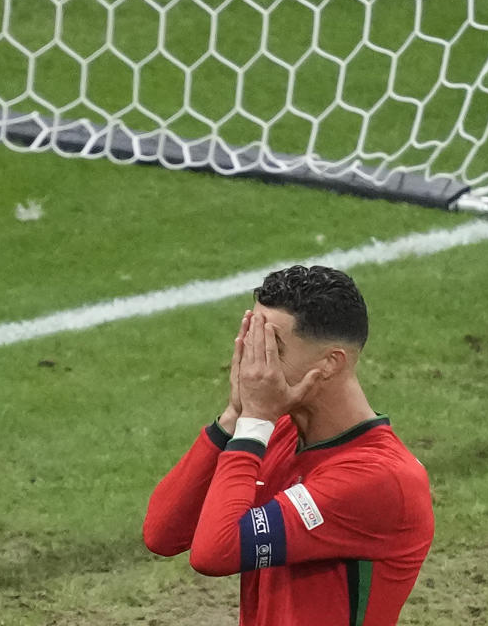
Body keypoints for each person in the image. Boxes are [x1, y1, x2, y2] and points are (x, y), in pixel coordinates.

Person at [143, 265, 434, 626]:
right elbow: (163, 534)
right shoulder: (276, 432)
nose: (254, 366)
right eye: (253, 343)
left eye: (271, 348)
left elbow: (214, 553)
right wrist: (234, 415)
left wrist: (253, 423)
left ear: (330, 363)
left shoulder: (382, 479)